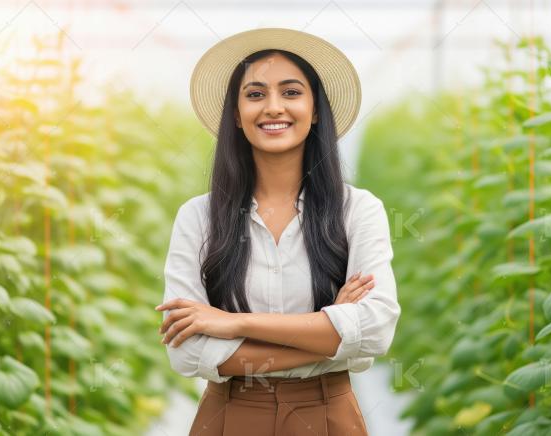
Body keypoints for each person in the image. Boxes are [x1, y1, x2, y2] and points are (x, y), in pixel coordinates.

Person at [154, 27, 400, 436]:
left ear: (316, 109)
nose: (272, 107)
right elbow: (188, 352)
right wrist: (327, 331)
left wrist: (235, 324)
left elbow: (374, 330)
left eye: (290, 92)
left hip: (328, 416)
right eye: (254, 94)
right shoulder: (198, 218)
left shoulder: (358, 210)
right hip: (229, 417)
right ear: (235, 113)